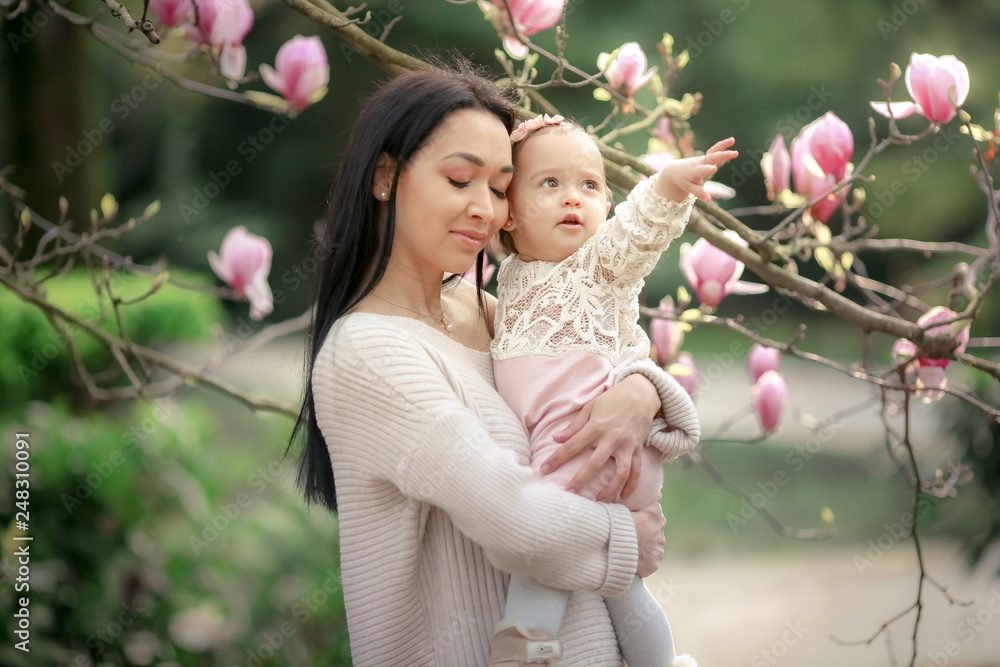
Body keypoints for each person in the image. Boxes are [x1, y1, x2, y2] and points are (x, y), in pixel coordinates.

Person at [292, 64, 699, 666]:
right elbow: (512, 516)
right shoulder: (369, 355)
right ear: (385, 177)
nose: (484, 208)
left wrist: (639, 392)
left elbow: (601, 356)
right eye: (460, 179)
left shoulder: (495, 313)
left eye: (502, 187)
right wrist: (623, 539)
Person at [489, 114, 736, 667]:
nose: (572, 198)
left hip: (596, 450)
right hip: (591, 451)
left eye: (590, 184)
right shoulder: (507, 279)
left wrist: (667, 185)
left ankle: (527, 642)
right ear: (507, 215)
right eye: (549, 183)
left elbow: (636, 232)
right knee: (626, 592)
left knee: (543, 540)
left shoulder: (595, 267)